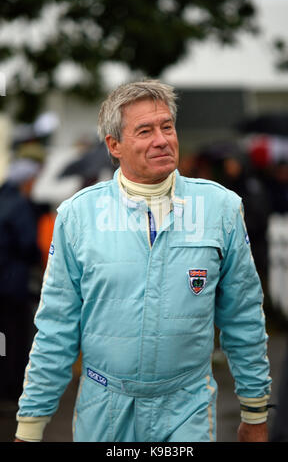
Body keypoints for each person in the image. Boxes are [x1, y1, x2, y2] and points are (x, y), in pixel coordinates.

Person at [15, 79, 271, 443]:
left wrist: (255, 410)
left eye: (167, 126)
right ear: (114, 145)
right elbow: (56, 329)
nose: (162, 139)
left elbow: (243, 317)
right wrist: (30, 427)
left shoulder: (221, 209)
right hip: (103, 407)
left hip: (188, 405)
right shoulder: (77, 216)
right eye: (145, 131)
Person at [0, 157, 42, 402]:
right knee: (14, 338)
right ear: (26, 181)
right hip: (12, 285)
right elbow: (28, 245)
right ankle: (11, 389)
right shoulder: (20, 206)